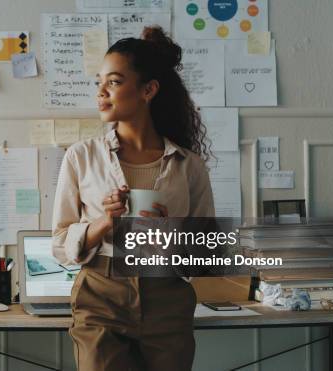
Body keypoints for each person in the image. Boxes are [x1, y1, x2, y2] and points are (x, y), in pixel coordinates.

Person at [52, 26, 215, 371]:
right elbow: (60, 243)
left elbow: (207, 253)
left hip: (167, 298)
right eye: (99, 82)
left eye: (113, 82)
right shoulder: (81, 157)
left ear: (148, 90)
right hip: (100, 295)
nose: (101, 92)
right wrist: (103, 223)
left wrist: (168, 236)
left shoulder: (189, 165)